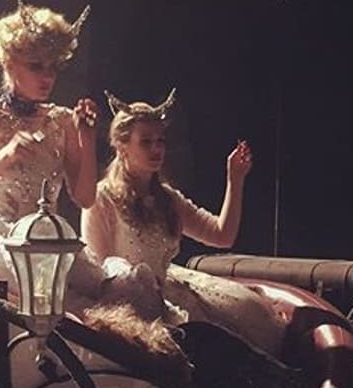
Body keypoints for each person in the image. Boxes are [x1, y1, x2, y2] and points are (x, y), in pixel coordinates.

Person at [81, 89, 287, 357]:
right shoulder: (102, 199)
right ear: (121, 146)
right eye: (146, 142)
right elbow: (99, 272)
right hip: (128, 306)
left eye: (160, 141)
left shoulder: (167, 198)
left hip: (171, 292)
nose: (156, 149)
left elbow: (222, 235)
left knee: (243, 324)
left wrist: (235, 180)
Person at [0, 0, 100, 297]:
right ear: (9, 63)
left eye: (53, 67)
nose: (47, 77)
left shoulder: (62, 120)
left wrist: (87, 140)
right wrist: (5, 155)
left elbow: (85, 198)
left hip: (48, 238)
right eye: (36, 66)